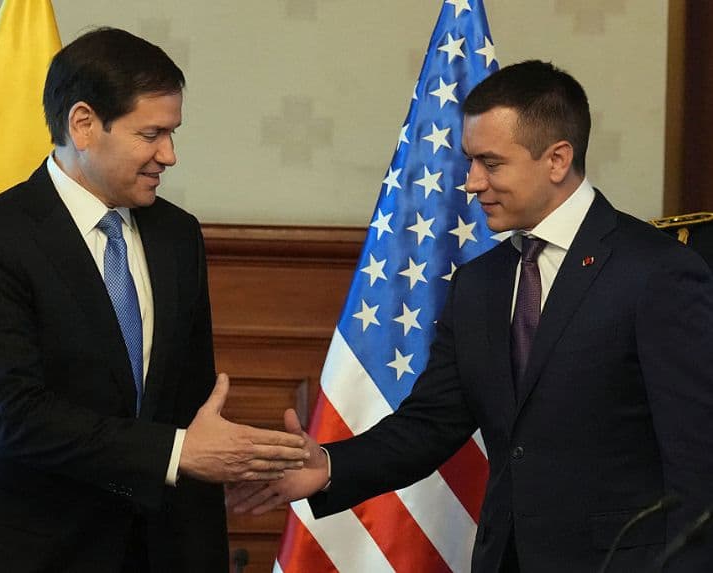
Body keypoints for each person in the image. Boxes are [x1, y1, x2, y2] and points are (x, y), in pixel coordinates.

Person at [230, 61, 713, 571]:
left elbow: (698, 459)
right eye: (470, 161)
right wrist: (328, 465)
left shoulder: (656, 271)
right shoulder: (480, 282)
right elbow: (431, 423)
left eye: (491, 163)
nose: (471, 182)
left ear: (556, 159)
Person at [0, 28, 308, 573]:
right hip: (20, 551)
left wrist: (235, 464)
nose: (170, 154)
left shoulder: (177, 235)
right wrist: (176, 453)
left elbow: (188, 411)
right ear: (83, 125)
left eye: (172, 132)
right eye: (152, 134)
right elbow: (14, 414)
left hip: (151, 551)